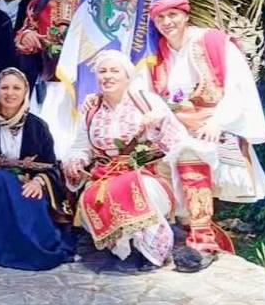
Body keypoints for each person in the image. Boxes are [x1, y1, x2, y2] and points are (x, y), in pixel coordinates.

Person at [145, 0, 265, 268]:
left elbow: (239, 87)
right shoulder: (158, 54)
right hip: (175, 131)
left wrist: (219, 121)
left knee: (190, 154)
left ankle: (203, 241)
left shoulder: (212, 41)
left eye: (172, 14)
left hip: (216, 127)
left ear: (185, 15)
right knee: (143, 167)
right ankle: (172, 233)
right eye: (160, 17)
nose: (167, 22)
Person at [64, 50, 185, 270]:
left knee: (135, 189)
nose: (108, 76)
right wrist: (76, 160)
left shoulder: (146, 101)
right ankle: (125, 248)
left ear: (128, 76)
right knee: (95, 196)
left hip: (145, 171)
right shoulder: (91, 109)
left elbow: (177, 138)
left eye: (114, 71)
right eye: (102, 71)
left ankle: (150, 252)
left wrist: (157, 125)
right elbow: (81, 146)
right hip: (105, 175)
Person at [0, 68, 74, 270]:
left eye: (16, 88)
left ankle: (30, 246)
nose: (10, 93)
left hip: (26, 190)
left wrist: (39, 182)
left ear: (25, 92)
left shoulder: (38, 127)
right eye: (4, 87)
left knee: (27, 199)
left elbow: (51, 167)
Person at [15, 0, 87, 158]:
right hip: (53, 86)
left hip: (89, 86)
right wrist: (26, 36)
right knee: (52, 145)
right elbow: (22, 36)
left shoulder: (96, 2)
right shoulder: (38, 5)